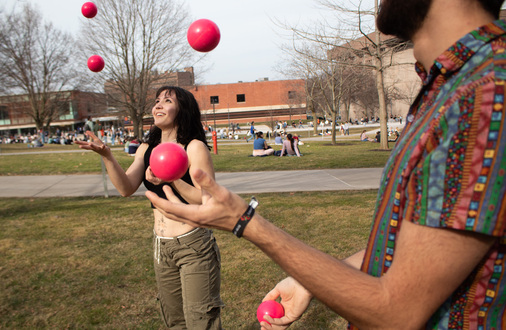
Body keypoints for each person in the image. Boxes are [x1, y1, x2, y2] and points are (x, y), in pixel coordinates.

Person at [145, 0, 506, 329]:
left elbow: (397, 312)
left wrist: (246, 222)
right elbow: (419, 246)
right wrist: (312, 280)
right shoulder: (453, 87)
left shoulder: (485, 95)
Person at [77, 86, 224, 329]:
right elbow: (125, 188)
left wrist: (172, 179)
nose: (158, 105)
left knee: (201, 321)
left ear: (182, 110)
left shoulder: (193, 147)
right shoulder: (146, 150)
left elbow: (207, 199)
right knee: (175, 322)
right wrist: (106, 156)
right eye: (157, 101)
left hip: (193, 245)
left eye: (167, 101)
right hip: (161, 246)